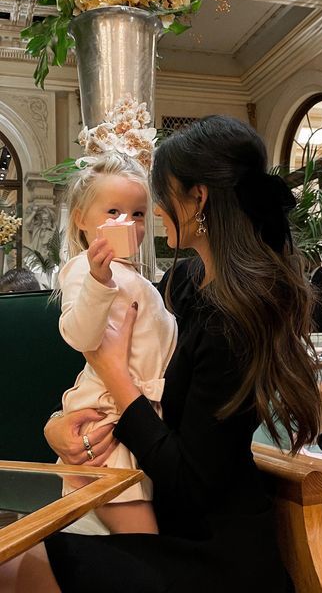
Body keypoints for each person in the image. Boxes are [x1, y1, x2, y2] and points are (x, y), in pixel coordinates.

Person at [0, 116, 321, 592]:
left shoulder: (232, 321)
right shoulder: (186, 285)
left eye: (155, 198)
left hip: (212, 553)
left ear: (198, 199)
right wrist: (57, 429)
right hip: (169, 517)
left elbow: (189, 478)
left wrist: (112, 372)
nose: (147, 213)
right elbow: (120, 365)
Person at [55, 153, 177, 535]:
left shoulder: (136, 277)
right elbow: (79, 334)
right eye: (113, 211)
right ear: (80, 218)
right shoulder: (82, 269)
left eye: (138, 214)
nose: (127, 222)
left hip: (141, 412)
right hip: (109, 417)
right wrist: (96, 278)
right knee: (142, 536)